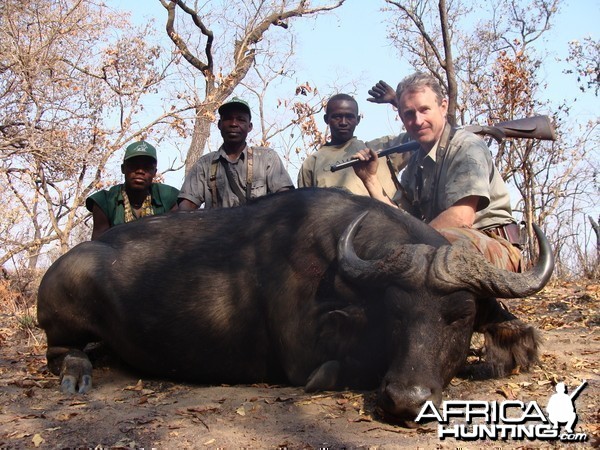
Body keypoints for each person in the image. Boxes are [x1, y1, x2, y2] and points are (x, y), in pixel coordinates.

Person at [352, 72, 523, 272]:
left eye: (425, 110)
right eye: (409, 114)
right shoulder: (415, 162)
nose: (418, 121)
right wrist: (370, 179)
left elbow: (461, 217)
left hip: (493, 245)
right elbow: (402, 220)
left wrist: (409, 244)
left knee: (434, 251)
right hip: (442, 244)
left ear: (443, 107)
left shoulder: (467, 146)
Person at [178, 97, 294, 210]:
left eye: (241, 119)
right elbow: (186, 207)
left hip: (258, 228)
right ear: (219, 125)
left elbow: (286, 200)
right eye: (228, 118)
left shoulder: (267, 158)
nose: (234, 123)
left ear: (249, 127)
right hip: (218, 228)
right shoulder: (204, 165)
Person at [297, 93, 400, 198]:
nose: (343, 122)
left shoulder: (382, 148)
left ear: (358, 120)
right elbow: (305, 207)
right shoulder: (312, 163)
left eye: (349, 117)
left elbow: (416, 134)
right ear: (326, 119)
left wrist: (396, 101)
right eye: (337, 117)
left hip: (387, 213)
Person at [86, 141, 179, 240]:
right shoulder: (104, 202)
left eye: (147, 168)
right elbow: (98, 247)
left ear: (154, 172)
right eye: (134, 166)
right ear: (123, 169)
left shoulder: (168, 197)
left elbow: (176, 240)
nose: (140, 171)